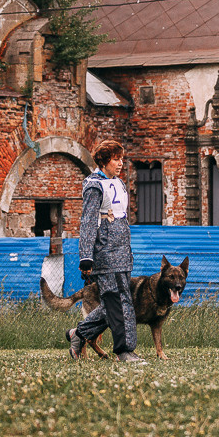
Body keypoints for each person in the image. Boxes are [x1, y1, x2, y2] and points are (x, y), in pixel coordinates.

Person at [67, 139, 146, 363]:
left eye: (121, 159)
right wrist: (86, 257)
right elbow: (88, 222)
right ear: (103, 161)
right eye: (116, 159)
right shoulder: (94, 186)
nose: (120, 163)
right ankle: (124, 350)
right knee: (116, 302)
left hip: (122, 253)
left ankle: (79, 333)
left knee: (120, 302)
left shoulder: (118, 183)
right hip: (104, 253)